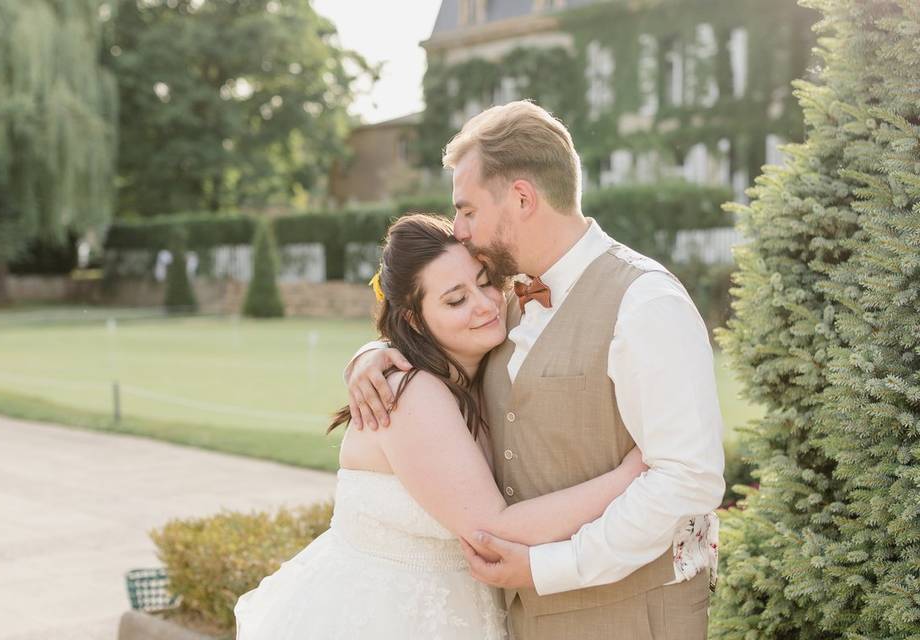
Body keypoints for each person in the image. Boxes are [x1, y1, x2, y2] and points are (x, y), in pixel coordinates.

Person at [345, 101, 726, 640]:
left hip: (632, 617)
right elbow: (439, 353)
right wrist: (371, 354)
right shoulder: (506, 304)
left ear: (522, 197)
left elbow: (689, 480)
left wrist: (550, 568)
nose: (458, 228)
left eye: (468, 210)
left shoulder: (645, 302)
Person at [233, 214, 650, 640]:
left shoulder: (485, 365)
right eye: (455, 301)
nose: (485, 305)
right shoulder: (411, 394)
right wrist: (632, 474)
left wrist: (370, 350)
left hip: (462, 612)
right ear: (414, 319)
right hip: (386, 617)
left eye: (485, 282)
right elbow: (492, 528)